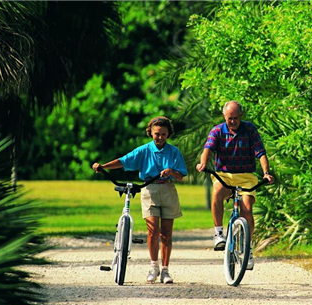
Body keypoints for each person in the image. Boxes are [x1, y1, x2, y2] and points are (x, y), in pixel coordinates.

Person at [92, 116, 187, 284]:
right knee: (152, 231)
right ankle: (153, 266)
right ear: (150, 133)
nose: (160, 137)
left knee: (166, 233)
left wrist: (171, 172)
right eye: (157, 134)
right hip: (149, 189)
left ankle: (165, 270)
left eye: (163, 134)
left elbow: (180, 176)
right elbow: (123, 161)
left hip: (168, 190)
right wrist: (103, 167)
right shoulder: (143, 150)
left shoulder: (174, 152)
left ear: (168, 135)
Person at [196, 100, 274, 270]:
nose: (233, 122)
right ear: (224, 116)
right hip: (224, 175)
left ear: (241, 116)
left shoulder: (250, 129)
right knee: (217, 191)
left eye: (236, 118)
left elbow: (261, 153)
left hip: (246, 176)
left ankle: (248, 249)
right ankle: (218, 234)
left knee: (247, 209)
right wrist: (203, 163)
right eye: (230, 118)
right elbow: (207, 149)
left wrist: (266, 172)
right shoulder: (217, 130)